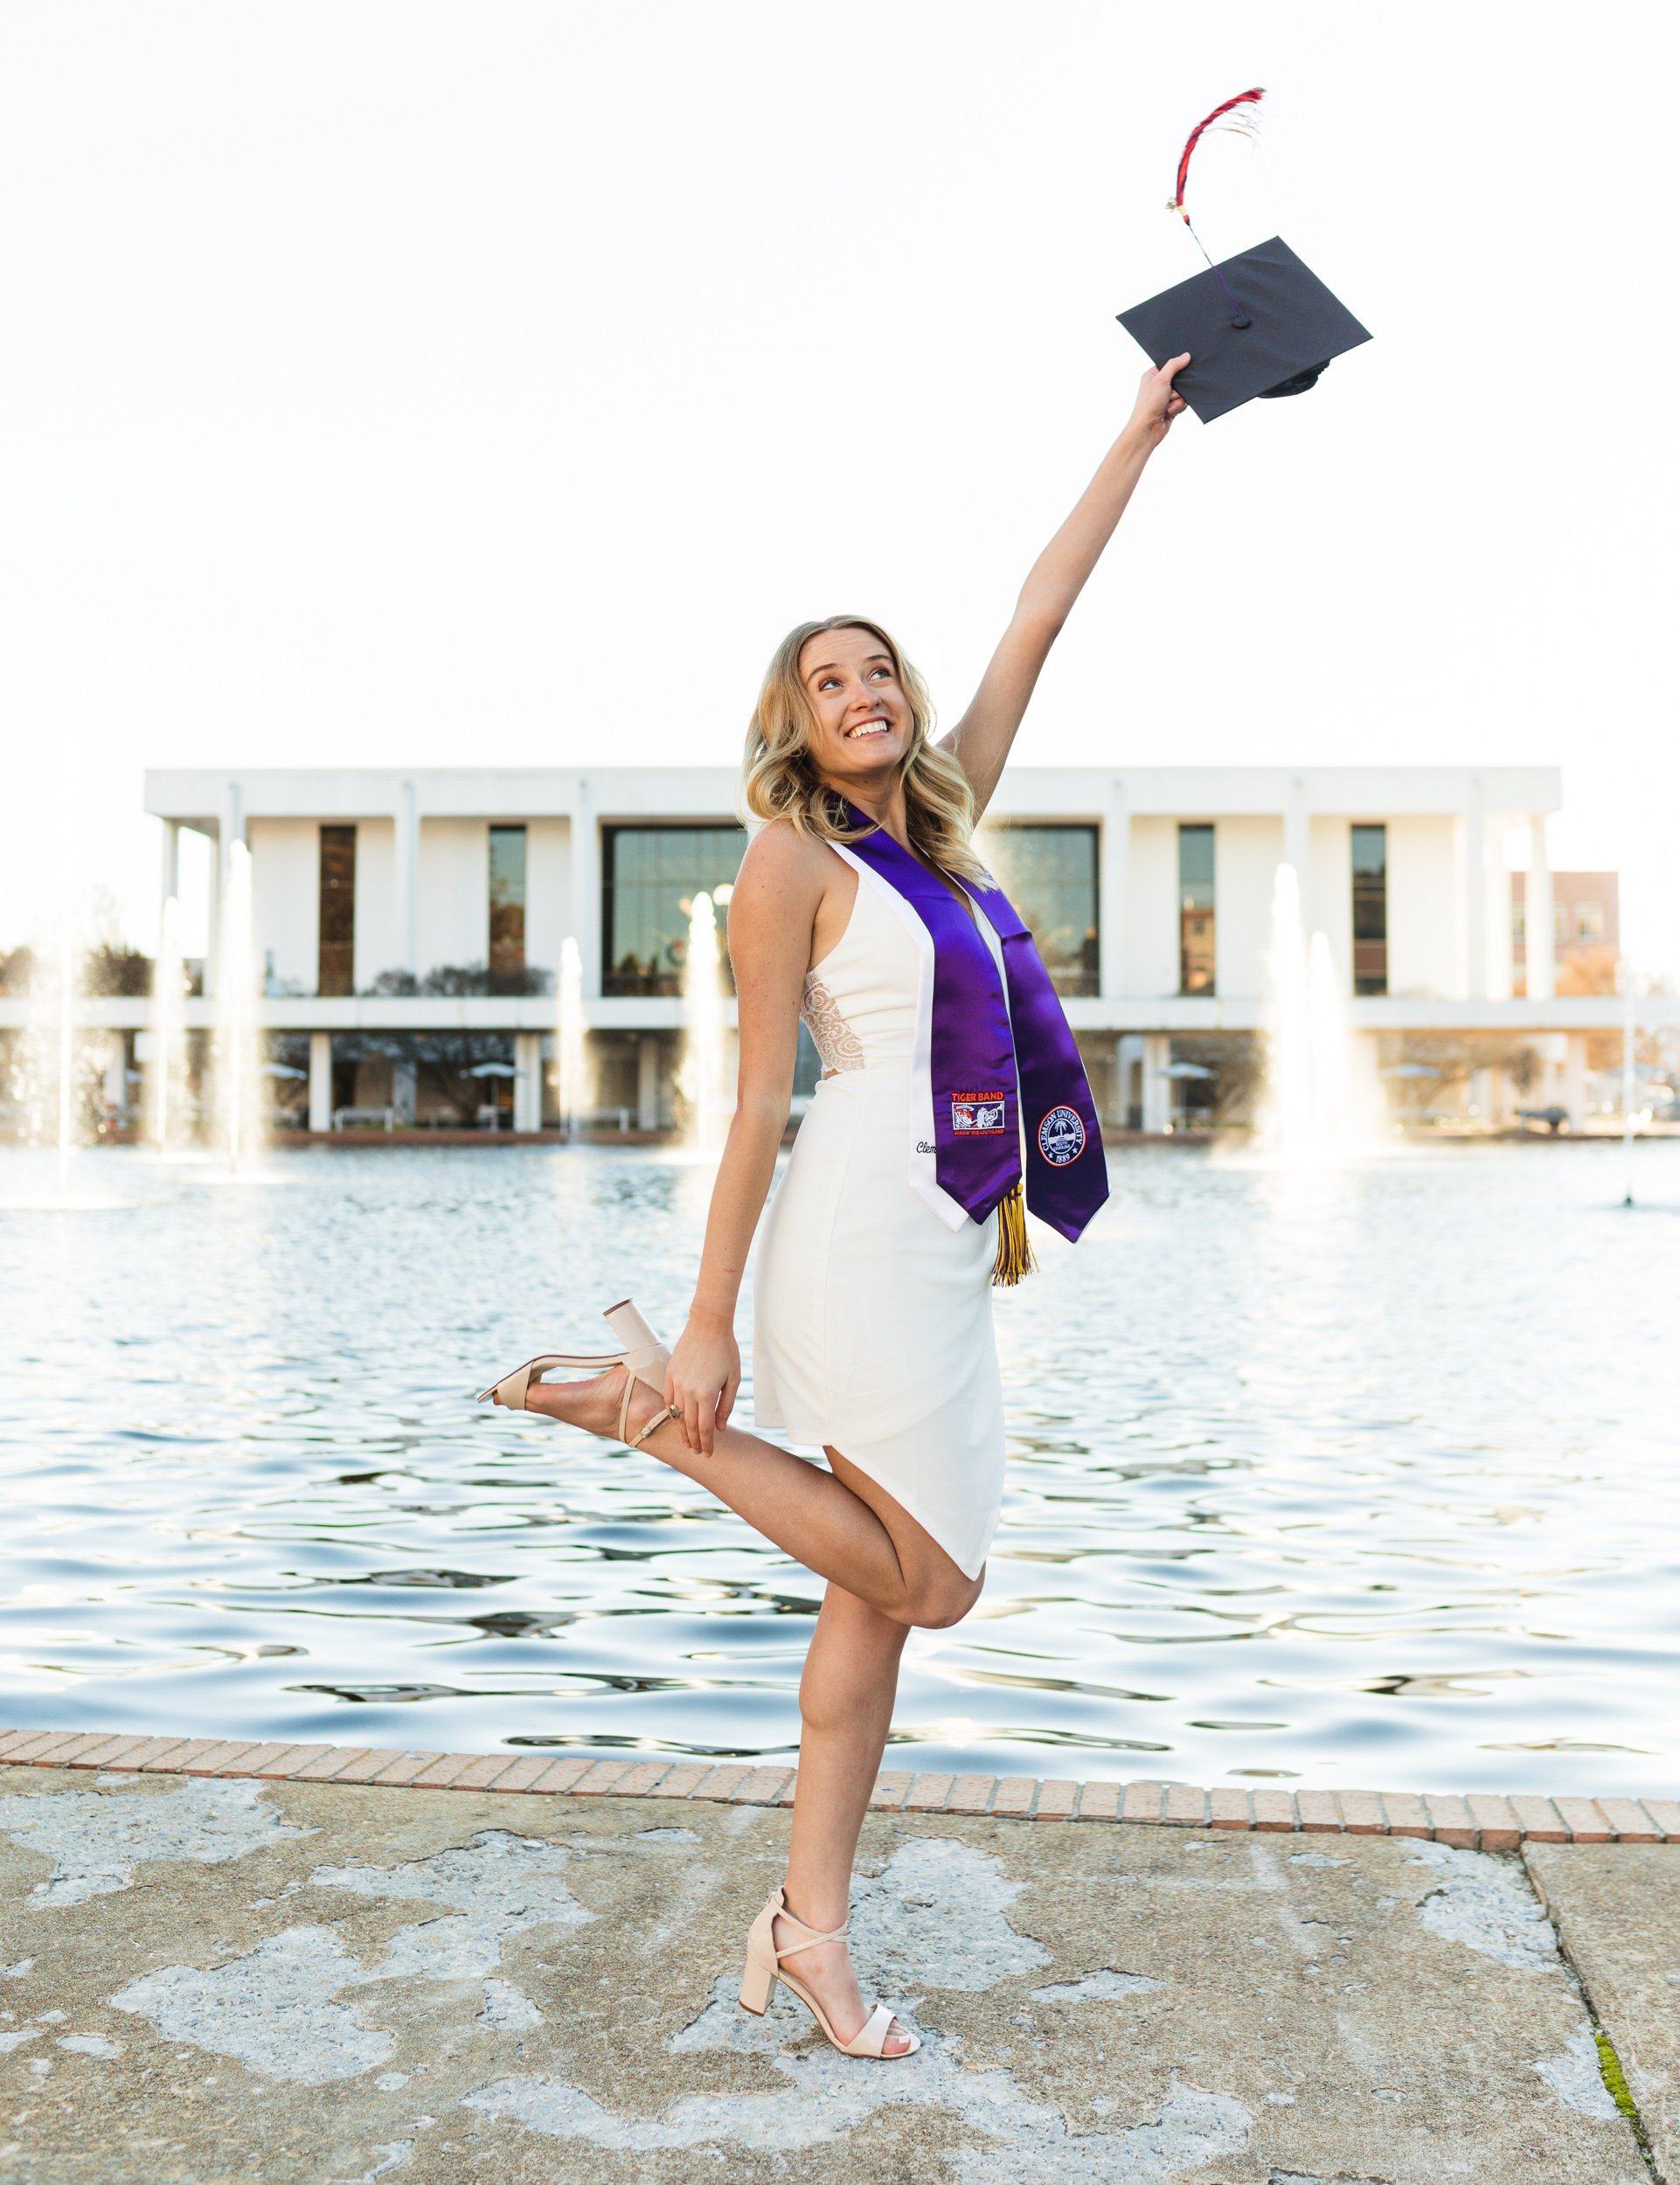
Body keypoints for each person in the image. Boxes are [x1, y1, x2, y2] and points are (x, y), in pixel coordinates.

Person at [480, 352, 1188, 2057]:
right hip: (851, 1227)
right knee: (932, 1582)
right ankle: (652, 1414)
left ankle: (809, 1932)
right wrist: (708, 1319)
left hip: (945, 1244)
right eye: (828, 677)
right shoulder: (789, 862)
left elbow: (1040, 612)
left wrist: (1142, 429)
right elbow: (751, 1104)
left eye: (878, 669)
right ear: (792, 719)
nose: (862, 689)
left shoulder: (941, 831)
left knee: (868, 1609)